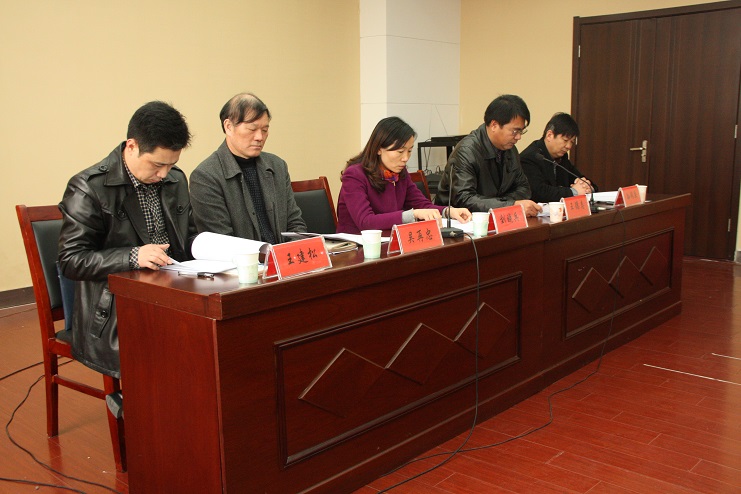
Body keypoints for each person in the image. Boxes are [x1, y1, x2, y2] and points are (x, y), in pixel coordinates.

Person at [58, 101, 197, 415]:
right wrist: (133, 255)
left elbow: (187, 238)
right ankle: (149, 407)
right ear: (131, 146)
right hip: (114, 307)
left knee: (216, 332)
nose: (163, 174)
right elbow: (71, 260)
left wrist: (213, 248)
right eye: (157, 165)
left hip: (170, 290)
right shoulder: (88, 188)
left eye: (171, 164)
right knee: (175, 346)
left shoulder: (175, 179)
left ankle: (179, 411)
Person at [190, 92, 306, 243]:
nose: (259, 137)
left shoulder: (277, 166)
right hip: (242, 258)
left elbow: (295, 223)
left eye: (264, 130)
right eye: (252, 129)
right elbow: (222, 242)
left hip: (283, 256)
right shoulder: (206, 176)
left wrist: (293, 252)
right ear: (228, 127)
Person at [337, 116, 471, 234]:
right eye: (400, 151)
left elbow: (422, 204)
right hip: (355, 246)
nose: (405, 158)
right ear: (378, 149)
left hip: (390, 242)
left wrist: (448, 211)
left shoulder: (400, 173)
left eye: (409, 151)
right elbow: (366, 222)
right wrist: (412, 214)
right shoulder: (354, 175)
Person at [434, 95, 541, 217]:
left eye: (521, 131)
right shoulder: (466, 151)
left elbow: (524, 188)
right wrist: (510, 205)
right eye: (515, 131)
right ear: (494, 125)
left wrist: (503, 204)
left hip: (496, 218)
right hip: (460, 221)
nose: (518, 137)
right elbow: (464, 199)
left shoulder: (510, 150)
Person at [519, 112, 598, 203]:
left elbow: (579, 177)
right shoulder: (530, 157)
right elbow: (540, 192)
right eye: (565, 140)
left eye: (572, 142)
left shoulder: (562, 157)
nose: (569, 146)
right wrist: (574, 191)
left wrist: (588, 187)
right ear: (549, 135)